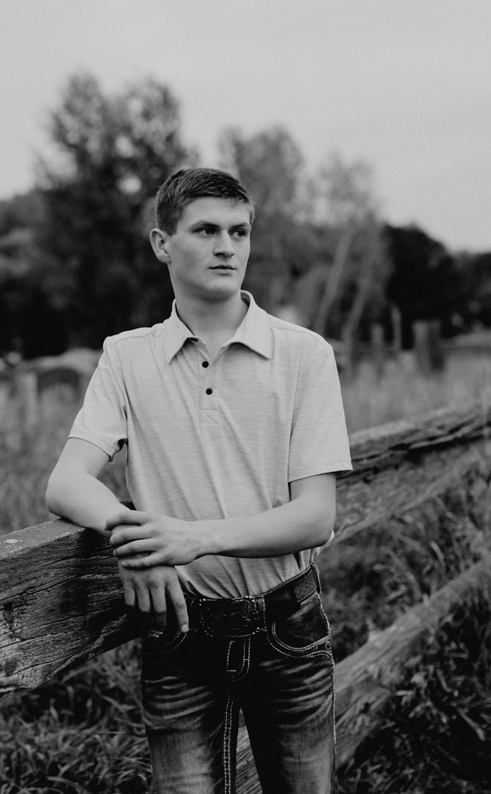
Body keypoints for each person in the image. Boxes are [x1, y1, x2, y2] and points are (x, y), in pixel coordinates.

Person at [45, 167, 352, 793]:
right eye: (206, 230)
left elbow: (316, 515)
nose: (227, 247)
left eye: (239, 232)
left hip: (286, 628)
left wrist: (192, 538)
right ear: (162, 244)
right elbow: (67, 482)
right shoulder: (127, 356)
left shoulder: (304, 354)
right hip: (180, 634)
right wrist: (139, 543)